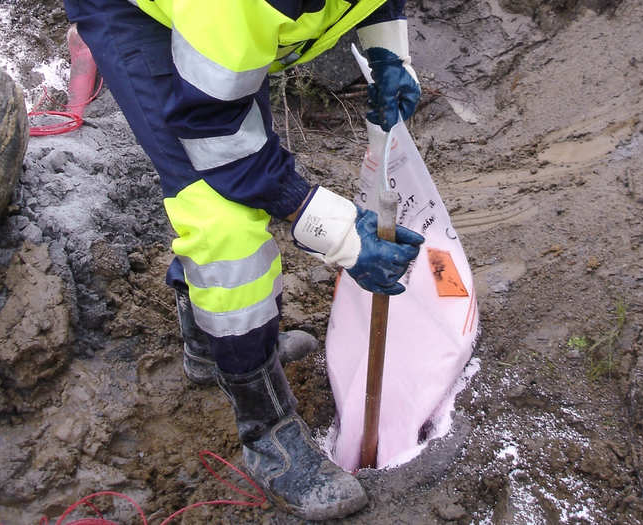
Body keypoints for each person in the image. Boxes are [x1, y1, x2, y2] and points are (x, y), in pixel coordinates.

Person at [62, 0, 423, 520]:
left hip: (222, 23)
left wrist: (390, 55)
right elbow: (217, 132)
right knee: (223, 222)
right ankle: (266, 430)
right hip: (135, 15)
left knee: (238, 135)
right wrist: (339, 234)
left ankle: (209, 350)